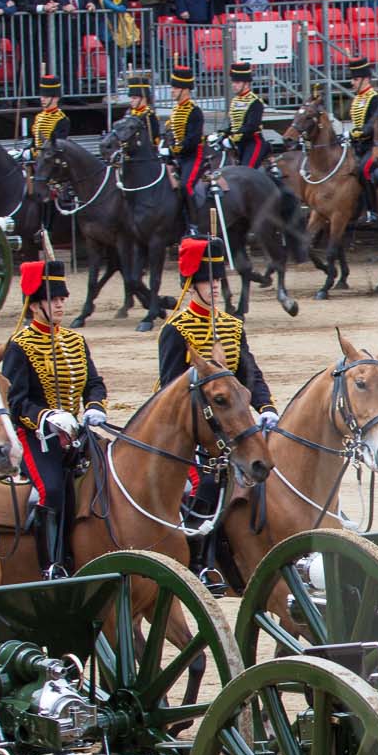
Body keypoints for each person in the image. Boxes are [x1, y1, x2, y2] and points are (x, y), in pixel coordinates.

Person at [160, 236, 275, 591]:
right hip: (190, 428)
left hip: (232, 424)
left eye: (217, 281)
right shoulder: (176, 330)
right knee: (209, 482)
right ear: (192, 283)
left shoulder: (231, 326)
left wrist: (266, 406)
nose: (213, 287)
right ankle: (200, 560)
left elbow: (249, 375)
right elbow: (169, 387)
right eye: (207, 281)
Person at [2, 259, 103, 577]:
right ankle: (53, 563)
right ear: (34, 305)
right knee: (53, 490)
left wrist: (94, 406)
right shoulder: (20, 346)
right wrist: (46, 417)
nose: (59, 304)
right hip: (36, 436)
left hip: (77, 431)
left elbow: (93, 383)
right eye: (52, 299)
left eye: (61, 299)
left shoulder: (75, 341)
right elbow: (16, 402)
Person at [163, 62, 204, 224]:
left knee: (186, 185)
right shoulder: (175, 111)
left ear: (184, 89)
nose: (172, 90)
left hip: (193, 156)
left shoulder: (194, 111)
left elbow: (192, 140)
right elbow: (171, 133)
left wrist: (174, 150)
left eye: (175, 87)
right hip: (178, 155)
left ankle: (193, 223)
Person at [346, 56, 378, 223]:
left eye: (355, 79)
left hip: (373, 145)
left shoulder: (376, 99)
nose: (352, 83)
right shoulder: (358, 99)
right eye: (352, 79)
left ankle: (372, 210)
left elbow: (371, 126)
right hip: (357, 145)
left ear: (366, 79)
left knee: (365, 170)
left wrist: (354, 133)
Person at [224, 60, 265, 167]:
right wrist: (223, 134)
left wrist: (233, 138)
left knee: (246, 171)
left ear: (246, 83)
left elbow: (251, 126)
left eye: (237, 82)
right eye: (233, 82)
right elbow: (234, 125)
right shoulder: (235, 101)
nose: (233, 85)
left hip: (253, 142)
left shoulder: (255, 102)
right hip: (238, 141)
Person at [30, 69, 68, 157]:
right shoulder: (38, 117)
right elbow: (34, 142)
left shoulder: (62, 119)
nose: (42, 99)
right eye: (42, 96)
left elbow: (57, 144)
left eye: (46, 97)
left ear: (55, 98)